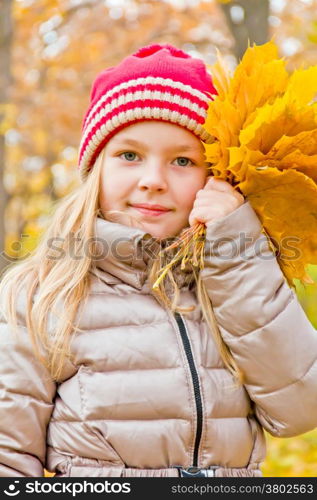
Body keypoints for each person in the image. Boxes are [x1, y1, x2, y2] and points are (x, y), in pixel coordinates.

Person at [0, 43, 316, 479]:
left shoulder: (235, 282)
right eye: (129, 155)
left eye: (183, 160)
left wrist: (237, 253)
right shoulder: (40, 295)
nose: (153, 181)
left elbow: (299, 408)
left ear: (214, 179)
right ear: (96, 170)